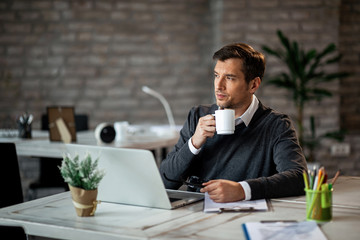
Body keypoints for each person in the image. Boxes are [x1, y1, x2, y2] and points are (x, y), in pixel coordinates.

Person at [160, 43, 307, 203]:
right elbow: (165, 181)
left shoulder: (276, 125)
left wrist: (243, 190)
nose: (219, 86)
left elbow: (299, 178)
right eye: (217, 75)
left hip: (245, 218)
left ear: (253, 85)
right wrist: (194, 143)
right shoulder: (198, 116)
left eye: (229, 78)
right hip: (198, 215)